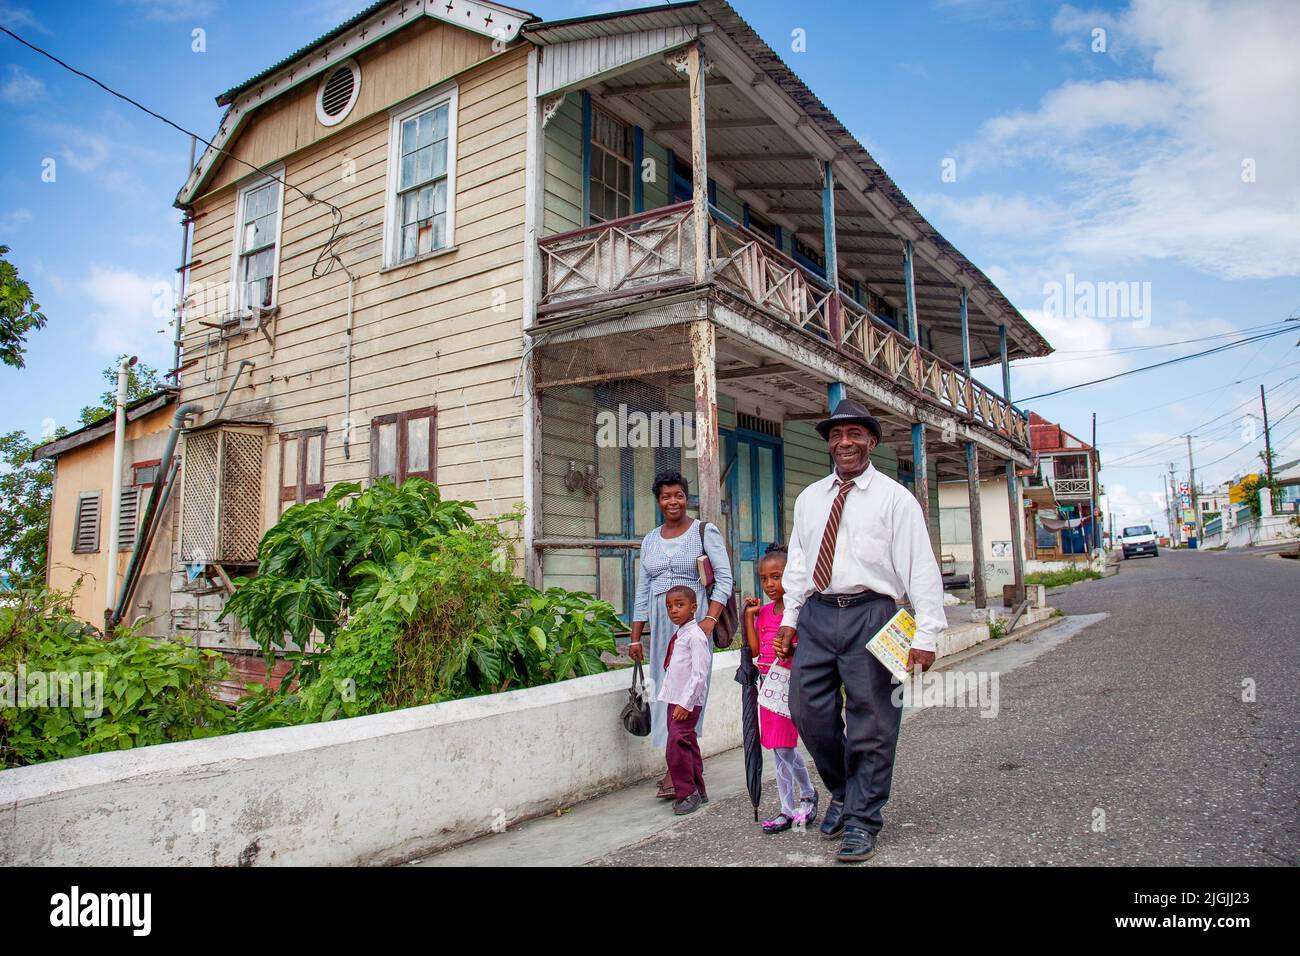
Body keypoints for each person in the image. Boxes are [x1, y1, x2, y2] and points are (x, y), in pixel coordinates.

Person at [775, 398, 946, 863]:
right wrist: (790, 618)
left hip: (876, 615)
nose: (844, 442)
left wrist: (926, 634)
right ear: (829, 443)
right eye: (836, 435)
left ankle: (863, 819)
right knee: (807, 710)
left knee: (873, 723)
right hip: (817, 613)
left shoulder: (895, 498)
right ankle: (844, 792)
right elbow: (798, 563)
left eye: (854, 434)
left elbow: (920, 567)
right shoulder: (810, 498)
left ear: (871, 440)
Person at [629, 470, 733, 800]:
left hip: (694, 623)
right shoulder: (650, 540)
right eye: (666, 496)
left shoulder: (705, 531)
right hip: (662, 626)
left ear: (686, 498)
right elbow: (643, 589)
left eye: (678, 495)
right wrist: (635, 637)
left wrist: (709, 621)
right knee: (664, 690)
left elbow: (725, 580)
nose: (673, 501)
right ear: (658, 501)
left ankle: (681, 769)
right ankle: (674, 766)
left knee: (690, 691)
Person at [743, 543, 818, 834]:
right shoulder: (763, 613)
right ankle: (789, 807)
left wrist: (791, 654)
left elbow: (805, 648)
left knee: (784, 748)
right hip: (767, 689)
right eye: (764, 578)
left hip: (789, 687)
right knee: (777, 749)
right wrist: (749, 617)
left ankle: (806, 796)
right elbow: (752, 649)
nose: (770, 584)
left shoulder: (798, 612)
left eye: (777, 577)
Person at [658, 585, 711, 815]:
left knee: (675, 747)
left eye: (679, 605)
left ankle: (687, 792)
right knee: (687, 743)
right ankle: (699, 789)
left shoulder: (696, 636)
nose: (673, 611)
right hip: (676, 700)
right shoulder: (681, 634)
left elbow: (699, 674)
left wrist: (685, 704)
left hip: (686, 702)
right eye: (669, 606)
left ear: (693, 607)